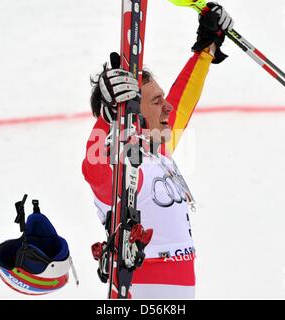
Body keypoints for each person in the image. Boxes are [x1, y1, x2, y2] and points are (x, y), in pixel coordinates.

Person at [82, 2, 234, 299]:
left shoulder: (159, 154)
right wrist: (108, 117)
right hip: (141, 289)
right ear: (133, 114)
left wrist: (207, 48)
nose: (168, 107)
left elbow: (182, 101)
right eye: (155, 102)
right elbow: (94, 171)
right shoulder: (121, 165)